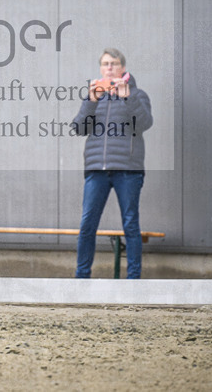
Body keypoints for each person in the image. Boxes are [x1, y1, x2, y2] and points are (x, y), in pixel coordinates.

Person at [71, 48, 153, 278]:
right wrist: (90, 101)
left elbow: (144, 124)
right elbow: (79, 128)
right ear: (100, 68)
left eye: (114, 63)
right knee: (87, 225)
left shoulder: (137, 95)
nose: (109, 68)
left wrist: (127, 100)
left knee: (130, 225)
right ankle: (81, 277)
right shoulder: (94, 96)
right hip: (97, 170)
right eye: (105, 64)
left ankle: (133, 279)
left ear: (123, 68)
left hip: (128, 170)